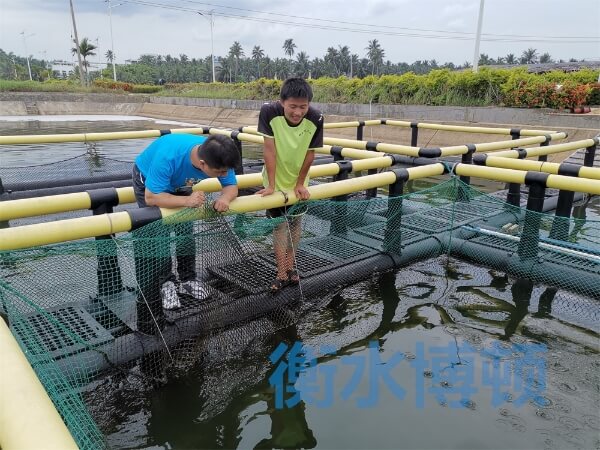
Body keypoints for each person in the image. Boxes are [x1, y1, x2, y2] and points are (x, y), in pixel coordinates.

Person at [132, 133, 240, 309]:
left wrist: (225, 199)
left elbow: (231, 186)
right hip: (150, 185)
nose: (224, 174)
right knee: (160, 235)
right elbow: (152, 197)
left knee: (185, 232)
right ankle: (165, 284)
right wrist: (186, 201)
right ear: (202, 164)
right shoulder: (168, 157)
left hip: (181, 185)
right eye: (220, 172)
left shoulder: (220, 156)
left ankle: (187, 279)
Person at [256, 77, 324, 293]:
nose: (297, 112)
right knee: (280, 225)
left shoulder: (316, 117)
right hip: (275, 179)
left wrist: (300, 183)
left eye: (303, 107)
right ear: (282, 101)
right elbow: (269, 149)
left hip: (298, 180)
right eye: (292, 106)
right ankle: (281, 272)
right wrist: (272, 186)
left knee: (295, 223)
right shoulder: (269, 112)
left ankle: (290, 266)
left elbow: (310, 154)